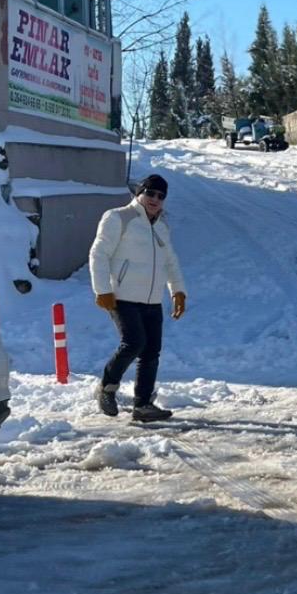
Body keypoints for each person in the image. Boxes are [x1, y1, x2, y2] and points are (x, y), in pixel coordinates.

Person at [89, 174, 187, 423]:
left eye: (161, 196)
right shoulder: (118, 217)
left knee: (151, 351)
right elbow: (98, 254)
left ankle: (143, 404)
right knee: (134, 342)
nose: (155, 199)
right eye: (150, 193)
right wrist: (102, 290)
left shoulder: (162, 226)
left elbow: (170, 261)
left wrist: (177, 291)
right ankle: (107, 388)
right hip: (121, 297)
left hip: (152, 299)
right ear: (139, 193)